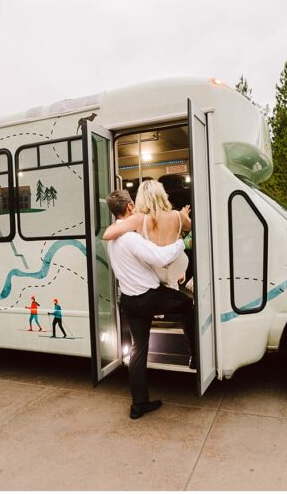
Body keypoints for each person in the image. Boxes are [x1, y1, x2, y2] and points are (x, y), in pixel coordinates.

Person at [103, 189, 195, 420]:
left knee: (138, 349)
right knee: (188, 306)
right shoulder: (131, 238)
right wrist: (182, 243)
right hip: (148, 297)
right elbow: (161, 258)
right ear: (130, 207)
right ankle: (195, 353)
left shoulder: (114, 239)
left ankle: (139, 404)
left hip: (130, 301)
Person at [103, 180, 192, 290]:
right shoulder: (178, 216)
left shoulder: (139, 218)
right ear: (162, 195)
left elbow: (107, 235)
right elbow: (197, 230)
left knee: (162, 300)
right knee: (173, 293)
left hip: (155, 270)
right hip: (177, 265)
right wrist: (185, 217)